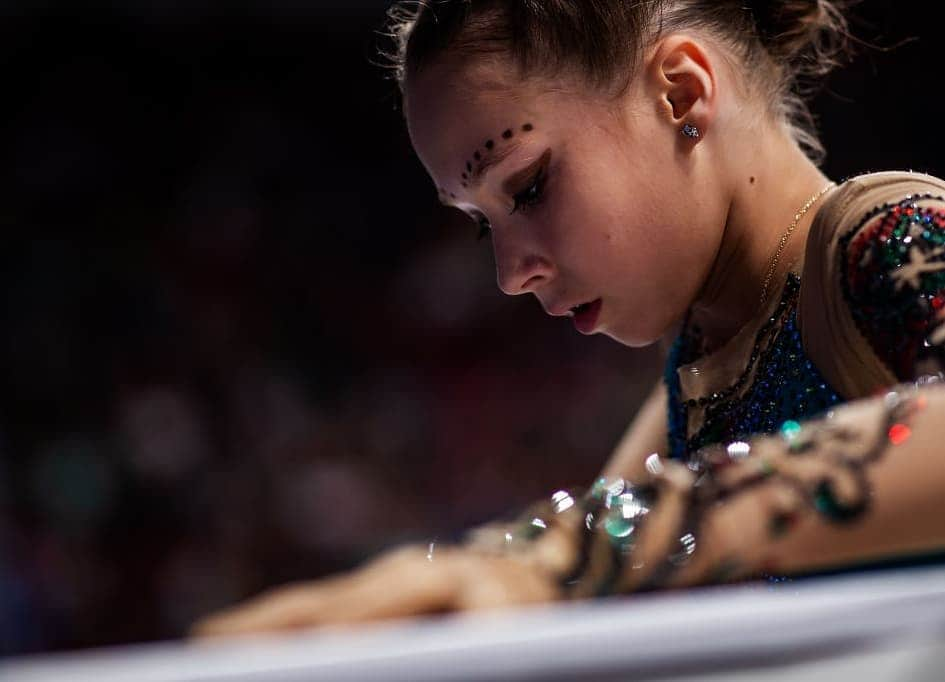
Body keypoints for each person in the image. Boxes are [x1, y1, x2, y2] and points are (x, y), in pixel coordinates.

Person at [192, 0, 945, 635]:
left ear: (680, 93)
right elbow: (560, 574)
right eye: (482, 223)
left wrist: (562, 560)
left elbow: (576, 555)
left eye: (526, 189)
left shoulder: (887, 234)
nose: (511, 274)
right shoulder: (701, 359)